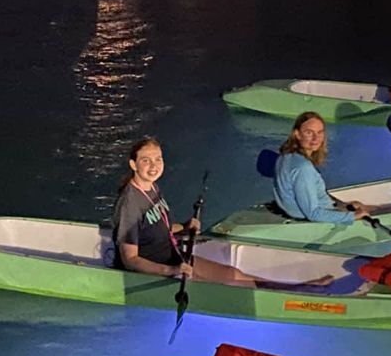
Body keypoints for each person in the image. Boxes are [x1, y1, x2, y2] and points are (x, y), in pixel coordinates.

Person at [112, 136, 332, 287]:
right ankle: (293, 293)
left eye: (158, 159)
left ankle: (298, 287)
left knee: (233, 274)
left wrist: (186, 226)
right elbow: (130, 259)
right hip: (159, 270)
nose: (153, 165)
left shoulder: (152, 188)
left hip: (175, 256)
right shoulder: (130, 202)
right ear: (133, 164)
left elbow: (160, 229)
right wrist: (170, 271)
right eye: (145, 160)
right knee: (232, 285)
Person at [273, 112, 371, 224]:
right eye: (309, 133)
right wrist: (352, 216)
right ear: (297, 134)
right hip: (314, 217)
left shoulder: (285, 156)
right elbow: (313, 213)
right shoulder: (303, 168)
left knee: (358, 204)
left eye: (320, 132)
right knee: (375, 209)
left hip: (308, 209)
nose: (315, 139)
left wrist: (342, 205)